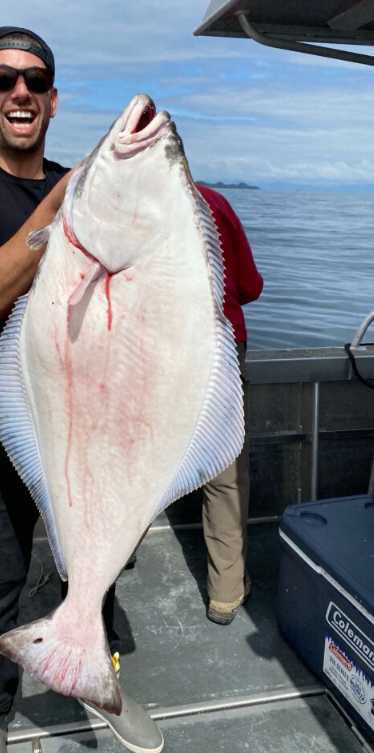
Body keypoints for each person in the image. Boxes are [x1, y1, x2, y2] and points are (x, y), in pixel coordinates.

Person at [0, 26, 164, 753]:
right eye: (1, 79)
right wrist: (56, 213)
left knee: (97, 572)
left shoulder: (89, 188)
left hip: (91, 434)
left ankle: (99, 675)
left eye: (34, 79)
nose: (18, 90)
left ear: (52, 100)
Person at [196, 185, 263, 625]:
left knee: (143, 465)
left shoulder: (121, 206)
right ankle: (225, 592)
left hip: (150, 350)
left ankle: (118, 560)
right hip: (219, 343)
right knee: (224, 473)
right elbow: (250, 286)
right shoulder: (212, 202)